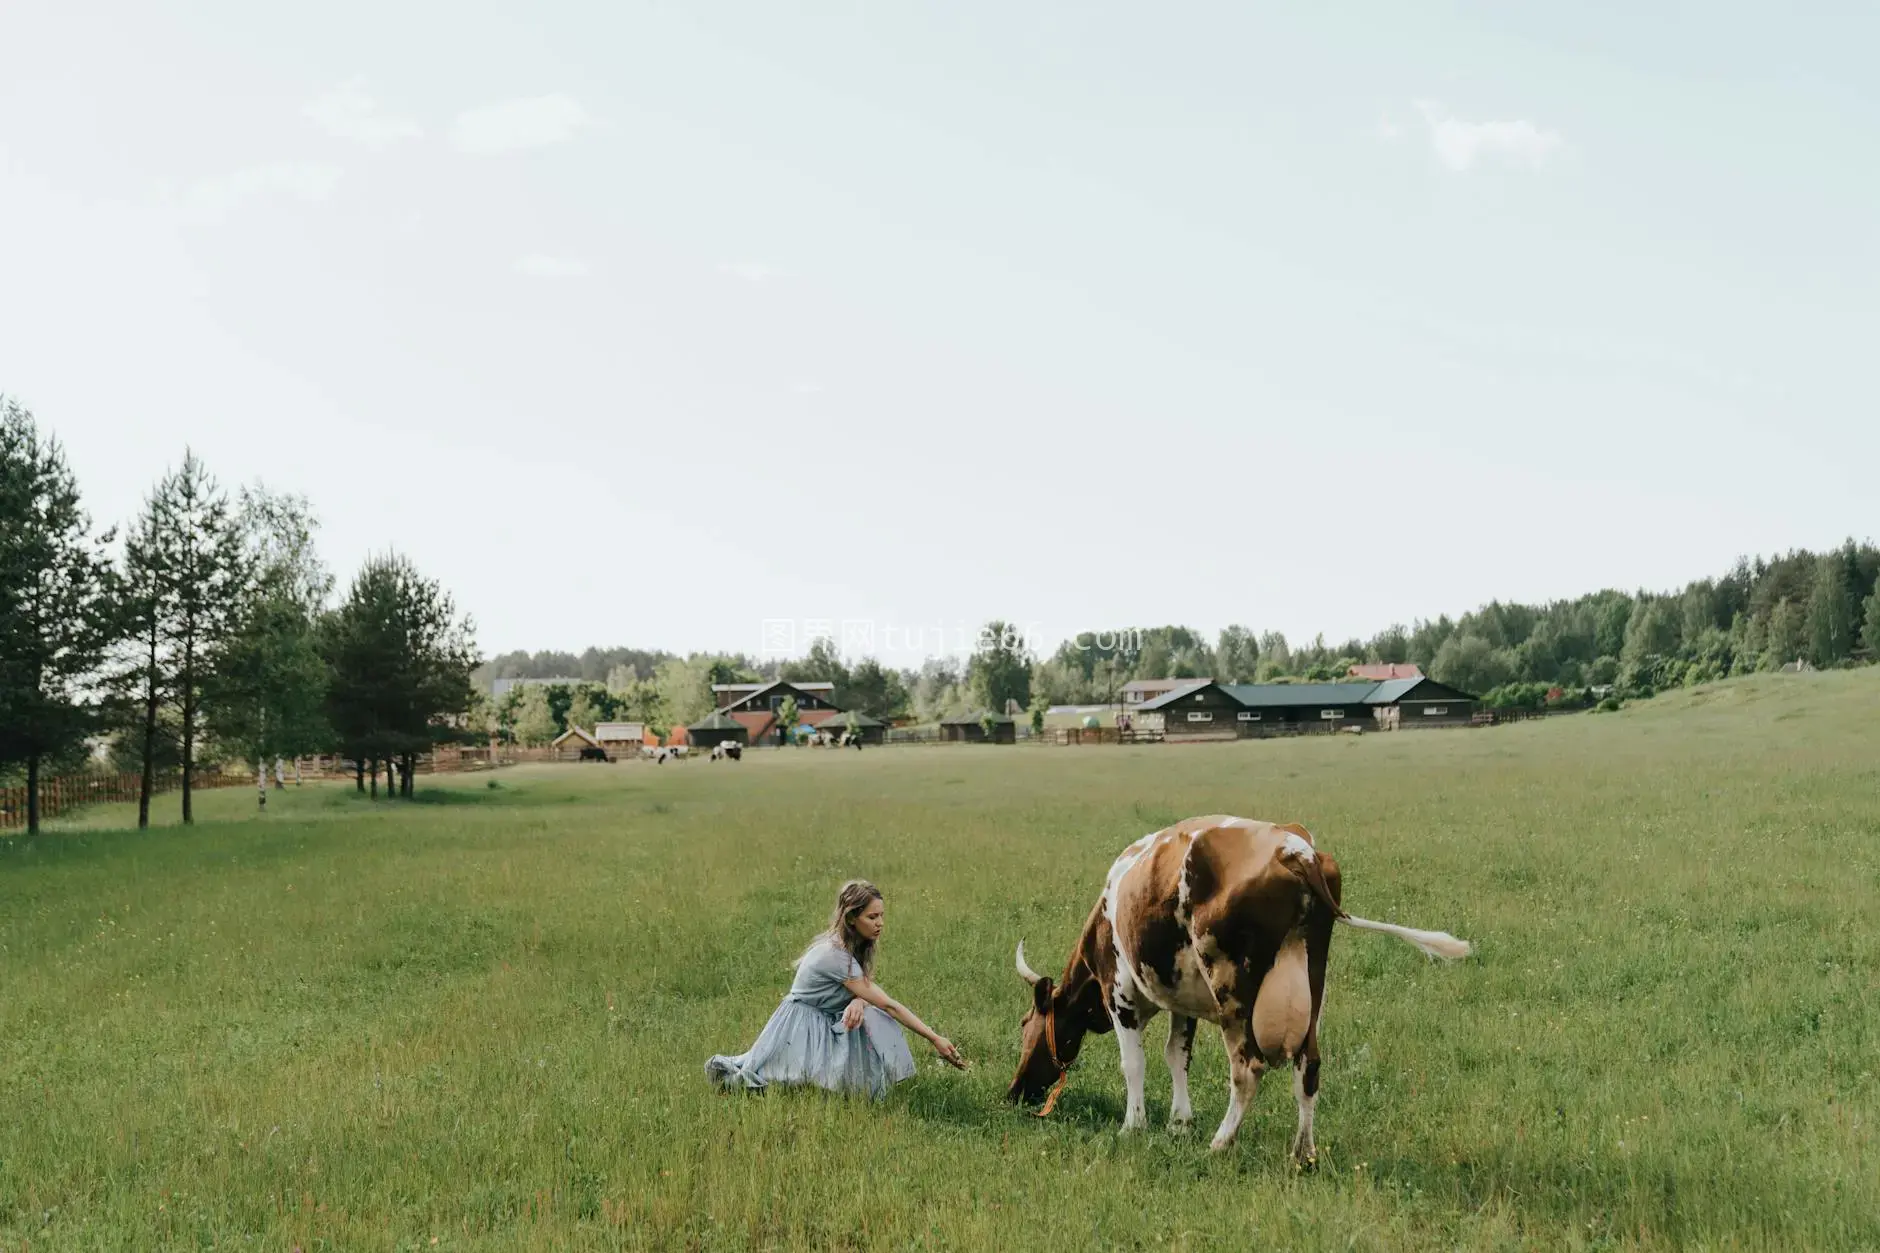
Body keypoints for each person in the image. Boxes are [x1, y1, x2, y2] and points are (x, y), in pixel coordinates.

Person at [706, 880, 964, 1100]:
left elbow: (868, 991)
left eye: (882, 915)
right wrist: (934, 1038)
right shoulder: (835, 955)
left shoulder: (853, 946)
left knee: (871, 1016)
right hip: (799, 1026)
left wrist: (858, 1001)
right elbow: (888, 1003)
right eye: (872, 917)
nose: (880, 923)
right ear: (851, 918)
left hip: (823, 1018)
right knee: (777, 1085)